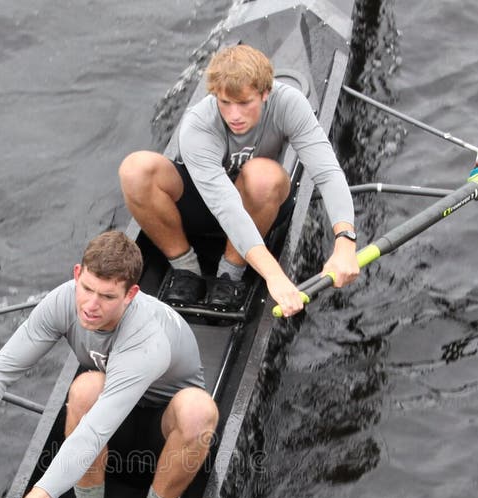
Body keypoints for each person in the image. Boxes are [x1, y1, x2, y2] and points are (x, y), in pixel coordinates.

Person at [0, 230, 218, 498]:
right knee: (86, 388)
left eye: (107, 296)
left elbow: (92, 434)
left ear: (130, 294)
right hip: (113, 424)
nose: (90, 305)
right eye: (86, 289)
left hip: (163, 436)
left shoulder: (147, 338)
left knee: (198, 410)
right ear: (76, 274)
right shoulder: (62, 301)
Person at [119, 44, 360, 317]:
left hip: (259, 205)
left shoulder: (289, 103)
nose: (234, 115)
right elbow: (226, 207)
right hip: (210, 206)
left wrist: (345, 240)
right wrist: (274, 275)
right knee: (135, 170)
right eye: (225, 102)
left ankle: (230, 274)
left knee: (263, 176)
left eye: (245, 103)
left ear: (266, 93)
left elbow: (327, 173)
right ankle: (186, 269)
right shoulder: (199, 124)